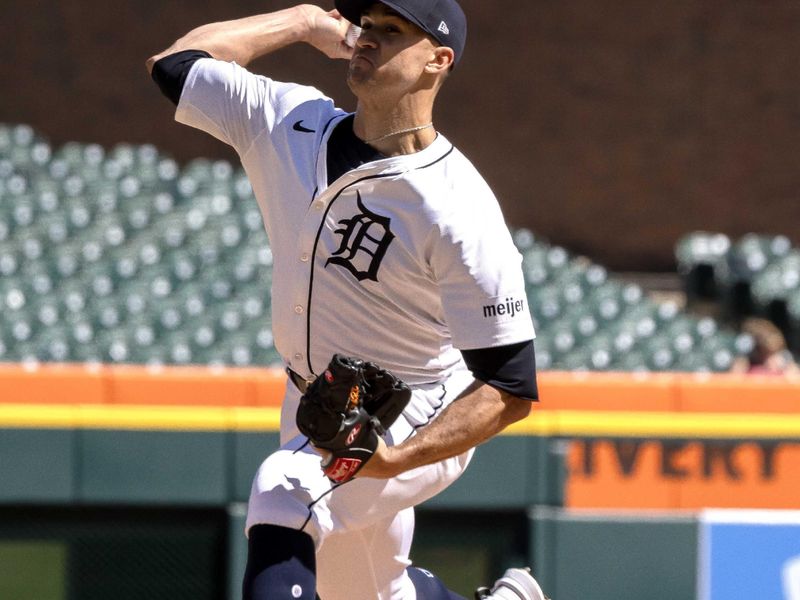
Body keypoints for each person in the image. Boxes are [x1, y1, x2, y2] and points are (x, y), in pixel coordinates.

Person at [146, 1, 546, 598]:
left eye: (391, 31)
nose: (367, 39)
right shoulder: (288, 121)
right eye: (366, 25)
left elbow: (510, 389)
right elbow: (175, 63)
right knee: (365, 588)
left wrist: (396, 458)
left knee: (287, 488)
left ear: (438, 61)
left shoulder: (459, 208)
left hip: (409, 412)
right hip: (312, 399)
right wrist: (305, 23)